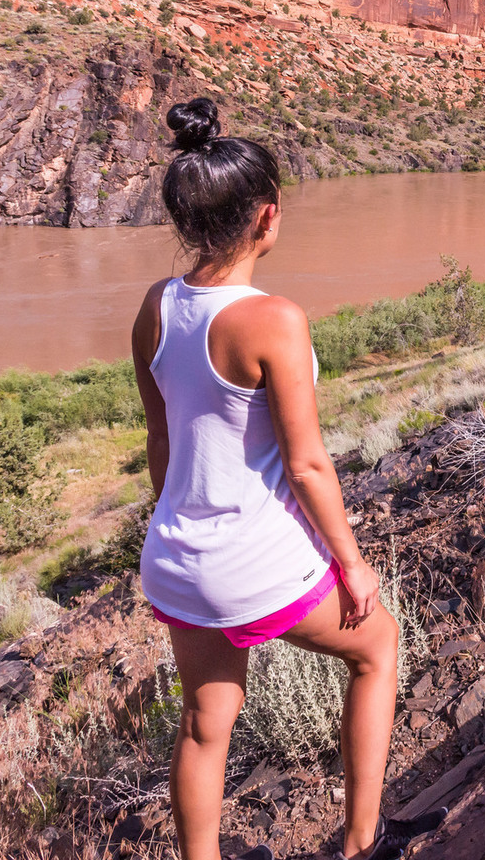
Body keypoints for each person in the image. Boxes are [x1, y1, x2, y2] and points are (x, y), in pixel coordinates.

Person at [132, 99, 444, 860]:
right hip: (257, 567)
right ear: (267, 216)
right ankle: (361, 842)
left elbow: (162, 439)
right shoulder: (273, 317)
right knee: (377, 648)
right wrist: (353, 563)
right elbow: (307, 465)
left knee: (206, 729)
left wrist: (179, 541)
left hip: (176, 561)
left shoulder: (157, 305)